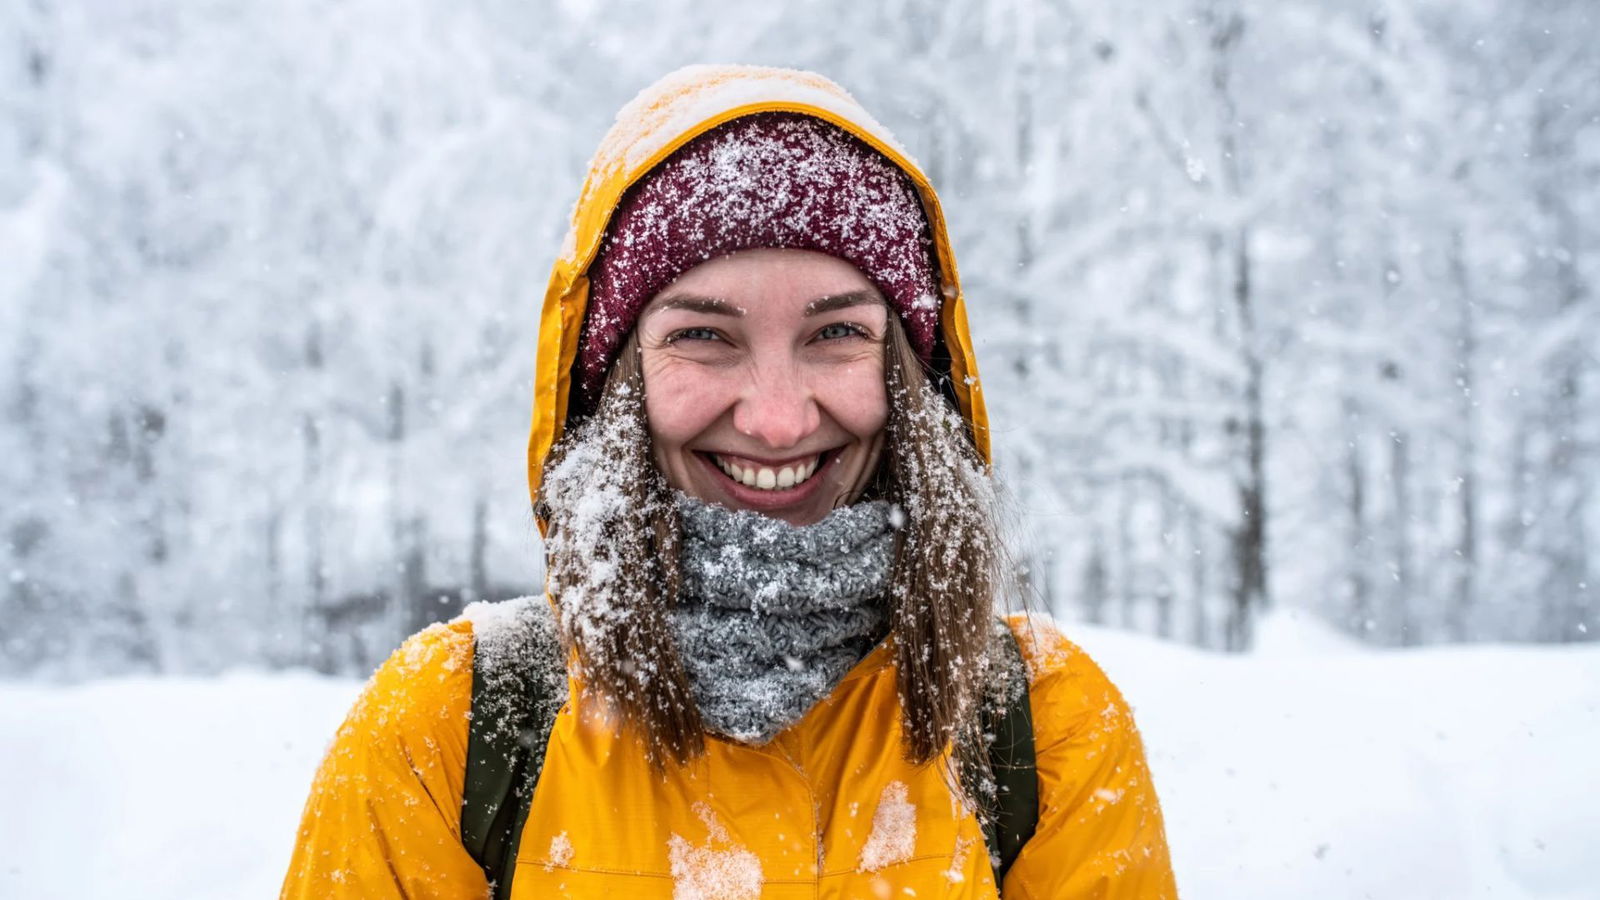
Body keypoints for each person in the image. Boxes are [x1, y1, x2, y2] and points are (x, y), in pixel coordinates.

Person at [280, 64, 1177, 899]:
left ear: (910, 375)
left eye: (837, 335)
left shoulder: (1044, 728)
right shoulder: (452, 730)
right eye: (703, 336)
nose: (778, 419)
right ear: (615, 385)